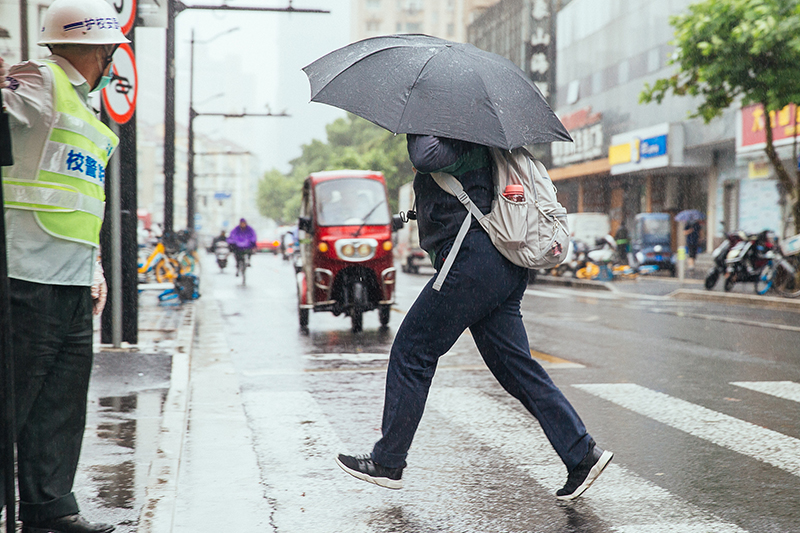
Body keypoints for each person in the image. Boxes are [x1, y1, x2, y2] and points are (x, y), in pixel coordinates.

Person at [336, 134, 613, 500]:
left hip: (472, 263)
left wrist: (419, 125)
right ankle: (581, 454)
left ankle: (388, 460)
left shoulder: (448, 138)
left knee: (412, 351)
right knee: (516, 368)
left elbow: (425, 155)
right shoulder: (479, 139)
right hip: (501, 265)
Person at [0, 0, 128, 531]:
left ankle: (49, 510)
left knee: (60, 406)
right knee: (13, 404)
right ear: (97, 48)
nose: (112, 63)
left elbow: (82, 198)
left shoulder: (85, 107)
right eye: (110, 51)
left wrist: (95, 266)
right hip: (24, 275)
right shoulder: (39, 80)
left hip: (72, 279)